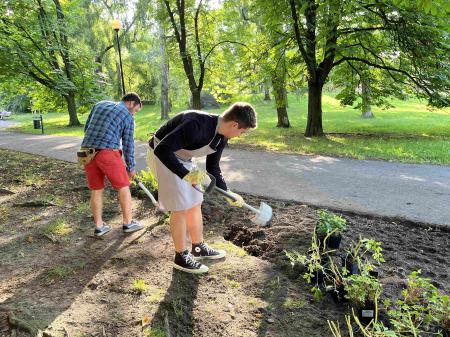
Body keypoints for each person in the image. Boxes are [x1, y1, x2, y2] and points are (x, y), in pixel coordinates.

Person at [147, 102, 257, 274]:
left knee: (196, 201)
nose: (240, 135)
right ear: (234, 125)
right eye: (242, 132)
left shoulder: (221, 137)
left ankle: (198, 248)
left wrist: (227, 192)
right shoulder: (196, 124)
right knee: (181, 206)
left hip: (182, 158)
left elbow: (213, 167)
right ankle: (181, 256)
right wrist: (186, 175)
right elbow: (162, 150)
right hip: (161, 154)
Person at [81, 92, 144, 237]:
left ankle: (99, 227)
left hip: (87, 152)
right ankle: (128, 223)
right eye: (136, 110)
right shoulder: (127, 116)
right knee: (123, 186)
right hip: (107, 153)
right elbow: (128, 144)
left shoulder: (99, 104)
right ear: (131, 103)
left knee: (96, 189)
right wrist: (131, 167)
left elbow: (86, 129)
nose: (134, 113)